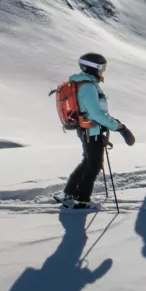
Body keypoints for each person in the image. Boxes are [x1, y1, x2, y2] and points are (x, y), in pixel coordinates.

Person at [59, 53, 133, 209]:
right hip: (91, 132)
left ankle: (70, 193)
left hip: (89, 131)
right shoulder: (88, 87)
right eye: (101, 68)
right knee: (94, 165)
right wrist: (118, 127)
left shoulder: (87, 84)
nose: (103, 71)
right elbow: (97, 114)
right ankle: (82, 200)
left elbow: (98, 112)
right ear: (92, 68)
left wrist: (112, 123)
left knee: (88, 162)